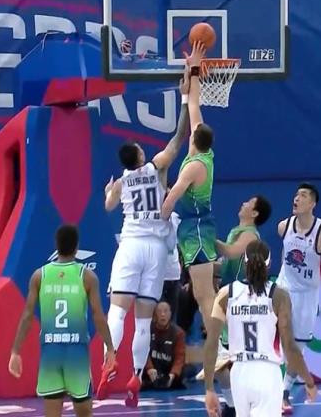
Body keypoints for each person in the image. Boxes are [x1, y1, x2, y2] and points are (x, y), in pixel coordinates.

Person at [98, 71, 191, 406]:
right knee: (142, 321)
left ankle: (109, 360)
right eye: (139, 147)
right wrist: (184, 99)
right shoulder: (156, 167)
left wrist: (108, 192)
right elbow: (178, 139)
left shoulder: (121, 183)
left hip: (130, 244)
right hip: (155, 250)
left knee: (117, 311)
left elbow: (108, 206)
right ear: (139, 156)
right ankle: (135, 375)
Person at [8, 225, 115, 417]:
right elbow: (98, 315)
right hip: (76, 353)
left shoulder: (40, 275)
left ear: (56, 245)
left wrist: (15, 351)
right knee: (84, 412)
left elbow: (27, 315)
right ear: (77, 247)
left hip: (51, 353)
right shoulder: (87, 276)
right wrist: (110, 347)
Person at [203, 240, 317, 417]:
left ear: (244, 262)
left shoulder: (226, 293)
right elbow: (290, 347)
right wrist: (309, 381)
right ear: (269, 264)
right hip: (267, 372)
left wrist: (209, 389)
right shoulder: (279, 295)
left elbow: (211, 344)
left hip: (239, 373)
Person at [161, 41, 217, 337]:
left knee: (205, 294)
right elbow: (194, 104)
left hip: (197, 229)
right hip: (194, 227)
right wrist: (193, 68)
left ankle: (222, 344)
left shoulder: (194, 166)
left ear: (194, 139)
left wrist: (160, 217)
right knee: (201, 292)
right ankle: (221, 343)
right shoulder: (203, 151)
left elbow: (173, 196)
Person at [199, 195, 272, 416]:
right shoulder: (236, 231)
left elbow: (230, 252)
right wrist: (198, 264)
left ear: (255, 213)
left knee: (229, 359)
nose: (243, 203)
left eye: (249, 203)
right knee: (223, 362)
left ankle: (242, 404)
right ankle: (232, 406)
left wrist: (203, 236)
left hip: (241, 299)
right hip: (228, 297)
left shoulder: (249, 234)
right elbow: (224, 266)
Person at [276, 183, 321, 414]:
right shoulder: (284, 226)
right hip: (284, 290)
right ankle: (272, 389)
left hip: (307, 295)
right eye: (296, 195)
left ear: (312, 203)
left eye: (303, 196)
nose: (297, 198)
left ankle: (284, 391)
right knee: (276, 339)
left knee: (297, 348)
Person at [143, 301, 186, 390]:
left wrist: (173, 374)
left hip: (168, 369)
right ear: (155, 314)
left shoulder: (178, 333)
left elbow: (180, 357)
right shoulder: (147, 329)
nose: (163, 314)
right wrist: (149, 368)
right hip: (152, 369)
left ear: (170, 314)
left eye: (166, 311)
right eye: (159, 311)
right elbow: (142, 351)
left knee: (186, 371)